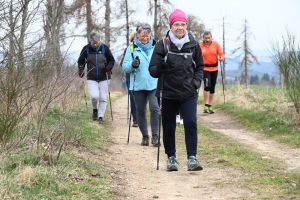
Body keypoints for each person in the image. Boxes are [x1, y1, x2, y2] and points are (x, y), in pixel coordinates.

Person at [149, 9, 204, 171]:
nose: (180, 27)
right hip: (167, 92)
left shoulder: (193, 45)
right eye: (176, 24)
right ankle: (171, 158)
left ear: (186, 25)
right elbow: (152, 70)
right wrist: (159, 67)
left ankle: (192, 158)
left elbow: (200, 67)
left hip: (188, 92)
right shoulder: (163, 44)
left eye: (183, 24)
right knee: (168, 125)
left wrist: (195, 83)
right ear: (171, 26)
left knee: (191, 123)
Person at [122, 23, 160, 146]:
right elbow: (125, 67)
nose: (145, 38)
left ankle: (155, 136)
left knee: (154, 108)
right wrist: (132, 64)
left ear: (150, 35)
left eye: (147, 35)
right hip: (137, 85)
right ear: (137, 35)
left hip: (153, 84)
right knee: (140, 111)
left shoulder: (157, 47)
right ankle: (145, 137)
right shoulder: (131, 48)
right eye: (142, 35)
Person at [77, 31, 115, 124]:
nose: (95, 44)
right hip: (91, 77)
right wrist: (81, 70)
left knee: (102, 97)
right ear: (91, 41)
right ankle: (95, 109)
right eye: (93, 42)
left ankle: (101, 116)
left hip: (104, 77)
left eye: (97, 42)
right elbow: (81, 61)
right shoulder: (86, 49)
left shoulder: (105, 48)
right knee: (94, 96)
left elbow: (111, 60)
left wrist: (109, 67)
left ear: (99, 41)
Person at [200, 31, 225, 114]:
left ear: (211, 38)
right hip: (205, 68)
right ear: (203, 38)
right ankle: (206, 104)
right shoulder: (200, 46)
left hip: (214, 68)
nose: (207, 39)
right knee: (207, 85)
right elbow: (197, 56)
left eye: (209, 38)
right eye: (206, 38)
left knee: (212, 87)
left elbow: (221, 54)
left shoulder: (216, 44)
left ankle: (210, 105)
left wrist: (221, 58)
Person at [120, 32, 138, 128]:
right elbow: (122, 64)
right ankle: (135, 119)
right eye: (135, 38)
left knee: (141, 99)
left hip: (142, 78)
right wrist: (132, 64)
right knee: (133, 98)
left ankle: (140, 117)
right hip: (130, 78)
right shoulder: (128, 49)